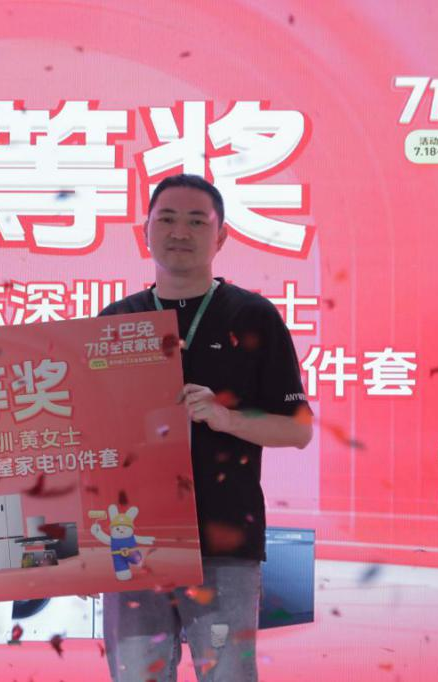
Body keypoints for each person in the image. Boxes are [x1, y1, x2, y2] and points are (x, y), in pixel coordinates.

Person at [99, 174, 313, 682]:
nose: (180, 232)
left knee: (227, 676)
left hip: (224, 544)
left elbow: (298, 430)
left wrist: (226, 418)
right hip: (133, 544)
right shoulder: (115, 321)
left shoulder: (252, 316)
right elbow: (89, 436)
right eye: (167, 219)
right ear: (144, 232)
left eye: (197, 221)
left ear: (221, 237)